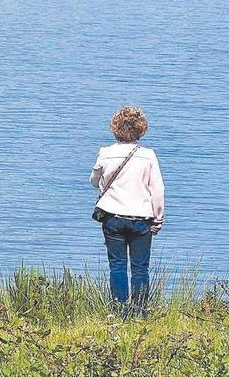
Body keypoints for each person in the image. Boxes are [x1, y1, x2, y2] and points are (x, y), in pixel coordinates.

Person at [90, 106, 164, 315]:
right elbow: (157, 191)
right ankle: (139, 311)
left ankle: (118, 309)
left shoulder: (106, 153)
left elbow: (94, 181)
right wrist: (158, 219)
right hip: (141, 218)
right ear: (141, 130)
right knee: (140, 267)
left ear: (115, 128)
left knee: (117, 265)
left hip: (112, 217)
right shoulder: (148, 156)